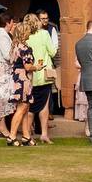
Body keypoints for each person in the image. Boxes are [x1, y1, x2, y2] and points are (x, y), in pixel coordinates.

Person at [7, 15, 39, 146]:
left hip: (15, 77)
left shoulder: (15, 46)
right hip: (23, 78)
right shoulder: (25, 48)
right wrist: (36, 67)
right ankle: (12, 135)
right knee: (22, 107)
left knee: (25, 107)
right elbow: (27, 66)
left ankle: (26, 135)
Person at [27, 15, 58, 144]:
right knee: (44, 106)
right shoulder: (45, 34)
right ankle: (44, 134)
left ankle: (27, 134)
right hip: (44, 74)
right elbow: (52, 52)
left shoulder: (25, 36)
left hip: (30, 75)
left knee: (29, 106)